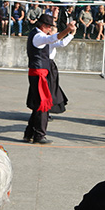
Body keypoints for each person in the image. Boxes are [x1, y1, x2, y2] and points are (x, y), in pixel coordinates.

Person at [24, 13, 77, 144]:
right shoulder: (39, 36)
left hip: (39, 72)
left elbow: (56, 40)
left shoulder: (37, 35)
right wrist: (68, 30)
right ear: (43, 26)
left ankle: (29, 133)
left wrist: (69, 33)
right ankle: (39, 135)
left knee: (39, 104)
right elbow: (55, 38)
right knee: (43, 104)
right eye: (49, 27)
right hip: (39, 73)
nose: (50, 29)